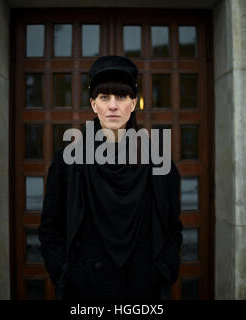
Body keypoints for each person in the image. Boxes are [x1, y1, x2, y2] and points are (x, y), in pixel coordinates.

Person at [38, 55, 182, 300]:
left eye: (121, 97)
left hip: (142, 288)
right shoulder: (68, 162)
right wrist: (64, 272)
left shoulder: (159, 164)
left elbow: (172, 227)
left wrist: (164, 269)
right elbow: (51, 228)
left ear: (133, 103)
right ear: (94, 104)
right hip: (85, 289)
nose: (113, 106)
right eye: (105, 97)